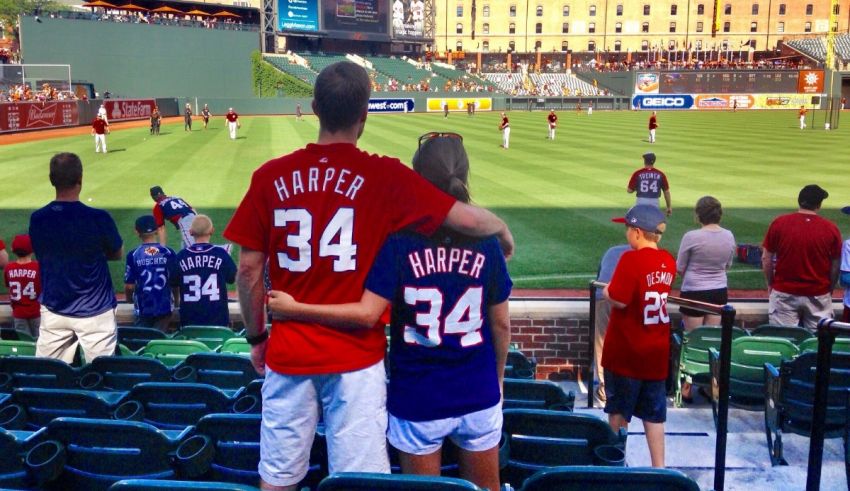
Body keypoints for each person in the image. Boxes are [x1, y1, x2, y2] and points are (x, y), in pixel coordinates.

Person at [223, 61, 513, 491]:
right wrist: (504, 233)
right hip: (357, 360)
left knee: (280, 478)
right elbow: (467, 220)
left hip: (289, 351)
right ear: (365, 115)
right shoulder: (385, 174)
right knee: (358, 483)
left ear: (315, 108)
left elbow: (248, 269)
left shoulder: (269, 176)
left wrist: (256, 338)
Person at [29, 152, 123, 363]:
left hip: (54, 309)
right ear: (80, 180)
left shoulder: (38, 219)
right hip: (95, 310)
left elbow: (41, 252)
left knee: (46, 377)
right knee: (102, 379)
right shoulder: (99, 217)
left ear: (52, 180)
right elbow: (117, 253)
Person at [602, 204, 676, 468]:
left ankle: (613, 465)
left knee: (618, 414)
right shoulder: (668, 260)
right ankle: (660, 468)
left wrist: (609, 290)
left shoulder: (630, 259)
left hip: (626, 354)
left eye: (627, 228)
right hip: (655, 352)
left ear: (636, 232)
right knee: (654, 416)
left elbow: (619, 299)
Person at [762, 184, 842, 330]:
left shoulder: (779, 223)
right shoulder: (831, 228)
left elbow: (766, 258)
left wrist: (771, 284)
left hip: (784, 292)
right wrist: (829, 289)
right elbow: (836, 264)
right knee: (818, 344)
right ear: (818, 205)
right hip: (818, 293)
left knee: (785, 341)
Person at [676, 196, 736, 331]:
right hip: (718, 291)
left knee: (692, 339)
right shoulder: (729, 235)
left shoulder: (691, 236)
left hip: (694, 292)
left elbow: (680, 267)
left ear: (698, 215)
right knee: (710, 338)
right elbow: (727, 265)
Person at [170, 215, 236, 328]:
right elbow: (233, 278)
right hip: (218, 323)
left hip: (189, 326)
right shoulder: (221, 254)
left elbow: (173, 282)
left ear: (190, 232)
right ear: (212, 231)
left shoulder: (181, 256)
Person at [124, 215, 177, 333]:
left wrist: (129, 300)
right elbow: (175, 283)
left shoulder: (133, 255)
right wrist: (176, 302)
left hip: (143, 307)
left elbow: (129, 286)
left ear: (137, 232)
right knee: (159, 340)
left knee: (142, 341)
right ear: (157, 231)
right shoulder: (169, 252)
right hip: (165, 307)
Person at [593, 243, 630, 406]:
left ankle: (604, 389)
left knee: (602, 342)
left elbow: (600, 275)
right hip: (628, 300)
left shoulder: (612, 250)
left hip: (605, 297)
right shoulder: (654, 256)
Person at [3, 235, 41, 339]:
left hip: (18, 314)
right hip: (36, 313)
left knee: (24, 340)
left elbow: (9, 288)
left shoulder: (9, 268)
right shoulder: (38, 267)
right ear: (32, 250)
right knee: (39, 341)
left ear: (13, 250)